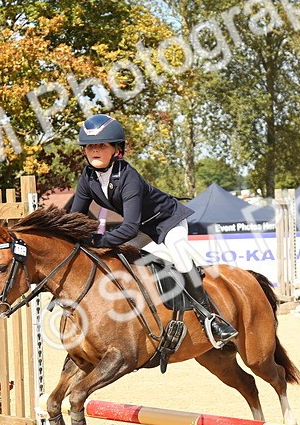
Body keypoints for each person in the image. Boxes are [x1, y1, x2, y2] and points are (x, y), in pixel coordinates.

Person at [67, 113, 237, 347]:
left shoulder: (128, 177)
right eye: (89, 146)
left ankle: (211, 318)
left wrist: (98, 240)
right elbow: (74, 217)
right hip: (143, 227)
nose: (94, 150)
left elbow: (129, 227)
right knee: (115, 258)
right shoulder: (88, 177)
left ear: (116, 149)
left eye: (101, 145)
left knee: (181, 259)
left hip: (167, 221)